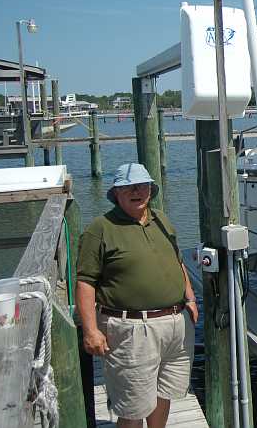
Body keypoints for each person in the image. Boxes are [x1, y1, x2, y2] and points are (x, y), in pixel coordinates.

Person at [75, 163, 197, 428]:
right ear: (116, 193)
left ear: (151, 190)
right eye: (128, 187)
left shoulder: (161, 219)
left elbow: (177, 259)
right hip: (131, 329)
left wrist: (190, 297)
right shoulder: (100, 229)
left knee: (164, 393)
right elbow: (85, 283)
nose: (136, 191)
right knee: (132, 406)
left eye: (142, 186)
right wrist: (91, 331)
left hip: (175, 325)